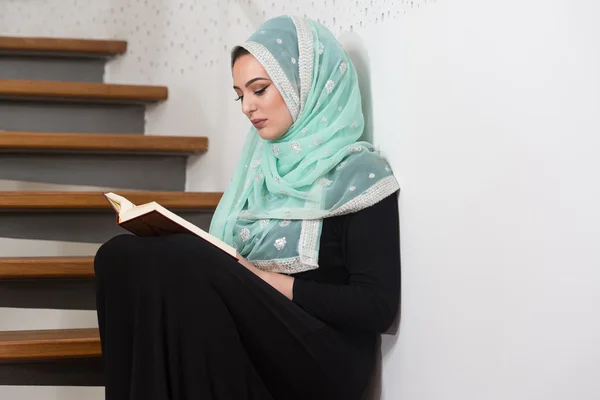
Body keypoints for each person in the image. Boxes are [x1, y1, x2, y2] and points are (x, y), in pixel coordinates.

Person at [94, 15, 401, 400]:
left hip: (324, 355)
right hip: (259, 337)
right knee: (117, 256)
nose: (247, 108)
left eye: (259, 90)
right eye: (241, 95)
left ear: (305, 84)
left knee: (187, 259)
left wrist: (262, 279)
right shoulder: (259, 169)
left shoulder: (359, 173)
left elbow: (377, 306)